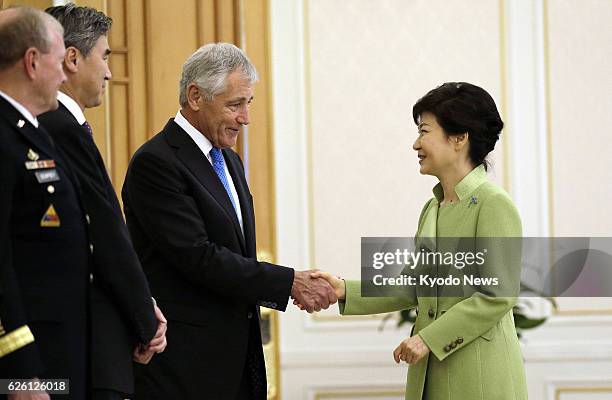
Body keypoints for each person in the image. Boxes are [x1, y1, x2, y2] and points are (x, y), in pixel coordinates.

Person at [121, 42, 336, 400]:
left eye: (247, 103)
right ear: (195, 96)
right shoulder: (156, 162)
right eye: (235, 105)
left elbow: (235, 252)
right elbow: (198, 256)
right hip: (184, 369)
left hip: (238, 364)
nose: (245, 118)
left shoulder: (228, 160)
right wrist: (289, 282)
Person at [311, 83, 528, 400]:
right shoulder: (432, 208)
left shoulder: (493, 204)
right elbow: (416, 284)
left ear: (459, 138)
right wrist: (344, 289)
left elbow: (497, 295)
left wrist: (429, 339)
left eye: (424, 131)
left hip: (479, 380)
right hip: (431, 377)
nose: (416, 144)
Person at [38, 4, 167, 400]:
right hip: (87, 352)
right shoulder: (60, 126)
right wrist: (145, 320)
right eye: (105, 56)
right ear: (73, 58)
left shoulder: (48, 126)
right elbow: (106, 231)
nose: (110, 71)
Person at [0, 6, 88, 399]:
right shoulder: (3, 138)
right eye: (59, 60)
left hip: (57, 351)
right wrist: (22, 372)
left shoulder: (32, 132)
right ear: (32, 62)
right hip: (28, 363)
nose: (66, 73)